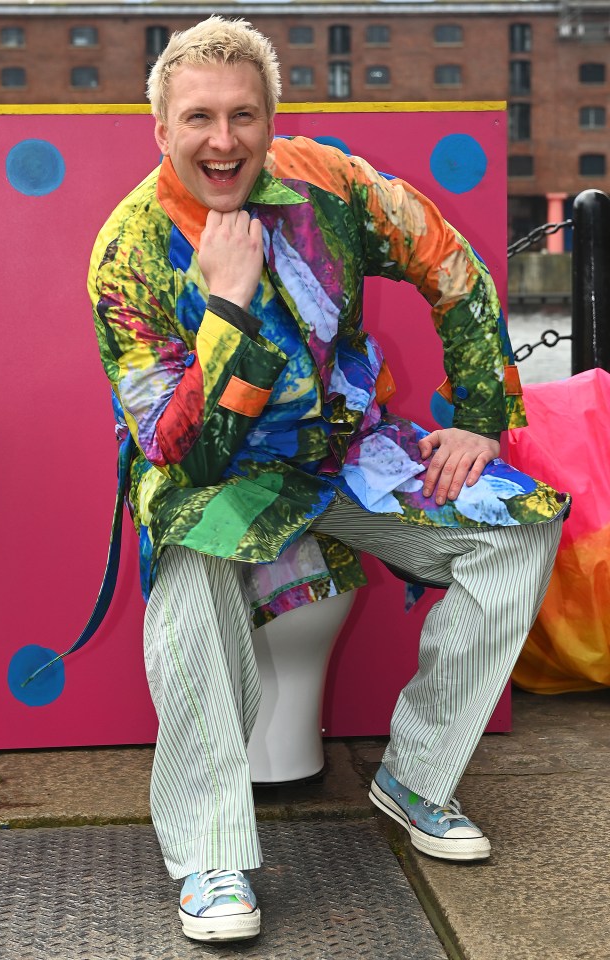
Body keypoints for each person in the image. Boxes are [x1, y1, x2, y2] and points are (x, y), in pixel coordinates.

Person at [89, 16, 569, 943]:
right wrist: (225, 304)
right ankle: (212, 855)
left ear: (272, 120)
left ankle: (416, 776)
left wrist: (478, 414)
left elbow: (449, 261)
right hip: (214, 474)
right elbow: (179, 449)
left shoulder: (330, 184)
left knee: (519, 527)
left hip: (346, 449)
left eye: (243, 116)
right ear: (160, 130)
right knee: (191, 566)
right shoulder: (129, 252)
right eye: (198, 119)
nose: (222, 141)